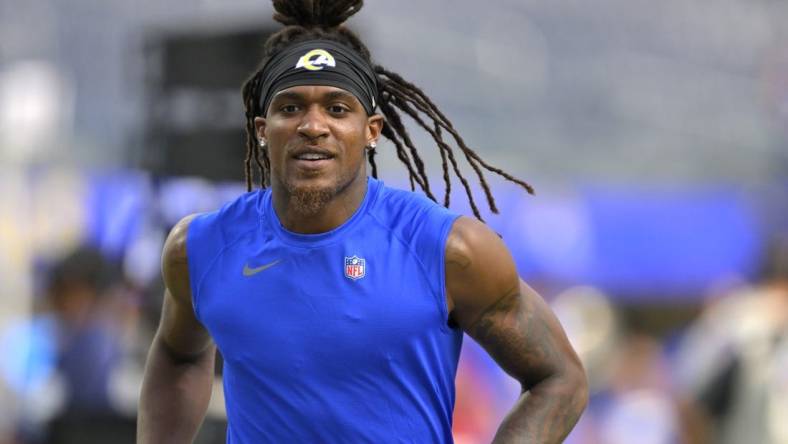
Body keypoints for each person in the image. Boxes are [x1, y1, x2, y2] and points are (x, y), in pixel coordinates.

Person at [138, 1, 588, 442]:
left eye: (337, 109)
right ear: (261, 129)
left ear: (371, 130)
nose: (313, 126)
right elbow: (178, 357)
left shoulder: (449, 250)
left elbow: (559, 378)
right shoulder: (199, 248)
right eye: (291, 108)